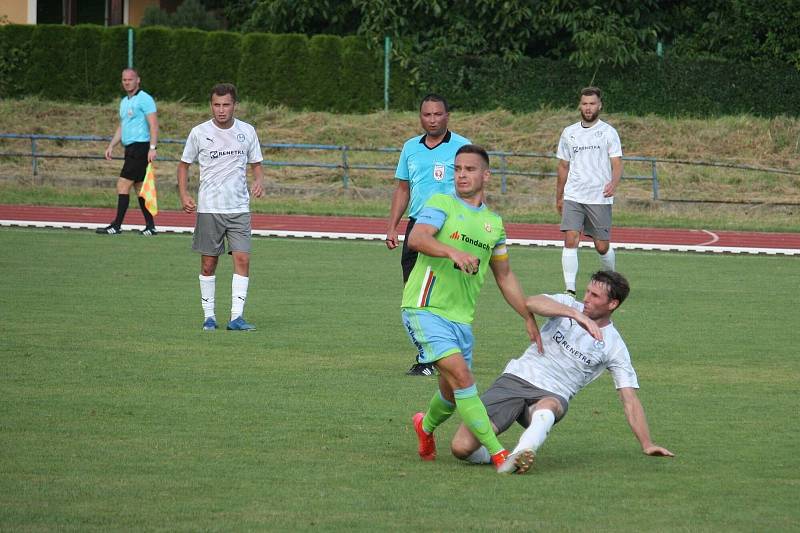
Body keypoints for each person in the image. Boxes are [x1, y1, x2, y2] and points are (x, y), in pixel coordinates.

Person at [403, 144, 543, 472]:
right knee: (464, 378)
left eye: (469, 169)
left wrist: (527, 315)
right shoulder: (440, 203)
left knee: (452, 395)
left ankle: (424, 427)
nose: (462, 175)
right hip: (424, 308)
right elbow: (418, 238)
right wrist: (452, 252)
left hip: (461, 319)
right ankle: (499, 455)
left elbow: (504, 275)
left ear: (485, 175)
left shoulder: (494, 224)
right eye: (458, 169)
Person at [450, 270, 674, 474]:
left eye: (595, 296)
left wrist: (647, 444)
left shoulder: (614, 345)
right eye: (587, 291)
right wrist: (576, 315)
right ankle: (504, 457)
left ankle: (524, 451)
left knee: (549, 406)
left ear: (613, 304)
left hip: (553, 394)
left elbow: (629, 399)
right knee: (461, 448)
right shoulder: (568, 305)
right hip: (517, 378)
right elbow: (531, 303)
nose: (586, 298)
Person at [386, 94, 471, 376]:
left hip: (449, 229)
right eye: (427, 115)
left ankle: (431, 359)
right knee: (413, 294)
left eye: (437, 114)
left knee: (442, 294)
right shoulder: (410, 148)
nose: (432, 120)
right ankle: (433, 354)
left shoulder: (462, 147)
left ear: (447, 116)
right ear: (420, 117)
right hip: (416, 228)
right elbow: (402, 189)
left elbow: (471, 189)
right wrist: (392, 226)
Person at [177, 83, 265, 331]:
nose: (221, 110)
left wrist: (258, 180)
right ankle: (209, 316)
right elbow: (184, 165)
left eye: (226, 104)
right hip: (209, 209)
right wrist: (184, 195)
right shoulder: (199, 132)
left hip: (238, 208)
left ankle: (236, 317)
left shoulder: (247, 131)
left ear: (234, 105)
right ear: (211, 105)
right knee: (208, 264)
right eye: (216, 104)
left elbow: (256, 163)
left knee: (243, 258)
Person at [556, 86, 623, 295]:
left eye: (592, 103)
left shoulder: (608, 132)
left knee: (601, 246)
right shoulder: (569, 133)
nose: (588, 107)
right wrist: (559, 196)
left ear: (599, 105)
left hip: (598, 197)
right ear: (580, 105)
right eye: (584, 103)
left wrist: (613, 183)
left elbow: (617, 163)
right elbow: (563, 166)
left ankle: (612, 281)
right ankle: (570, 290)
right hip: (574, 195)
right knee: (570, 239)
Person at [97, 68, 159, 236]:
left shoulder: (145, 99)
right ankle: (150, 227)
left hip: (141, 147)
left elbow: (153, 124)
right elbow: (123, 126)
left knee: (123, 184)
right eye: (124, 79)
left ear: (138, 80)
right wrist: (111, 146)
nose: (127, 82)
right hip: (129, 148)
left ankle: (116, 225)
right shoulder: (124, 101)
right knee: (139, 187)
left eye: (130, 79)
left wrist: (152, 148)